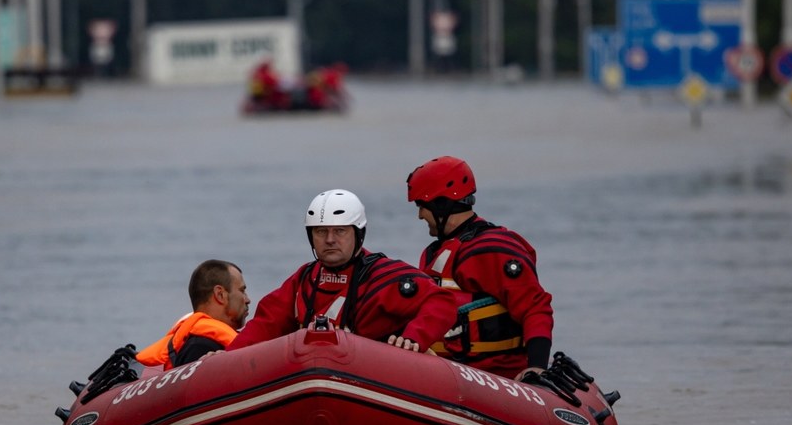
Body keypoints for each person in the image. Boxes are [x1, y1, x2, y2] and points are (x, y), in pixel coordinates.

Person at [227, 189, 456, 353]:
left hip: (374, 381)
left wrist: (413, 338)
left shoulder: (384, 276)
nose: (329, 240)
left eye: (339, 231)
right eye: (320, 232)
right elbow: (266, 324)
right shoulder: (305, 280)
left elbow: (441, 302)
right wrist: (228, 357)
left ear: (358, 234)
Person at [406, 156, 555, 380]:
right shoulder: (433, 253)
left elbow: (535, 307)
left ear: (441, 204)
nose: (419, 216)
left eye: (422, 206)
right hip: (447, 371)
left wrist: (537, 366)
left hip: (496, 376)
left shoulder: (491, 249)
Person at [136, 260, 251, 370]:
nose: (247, 300)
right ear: (220, 294)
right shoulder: (201, 346)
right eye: (242, 291)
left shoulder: (197, 340)